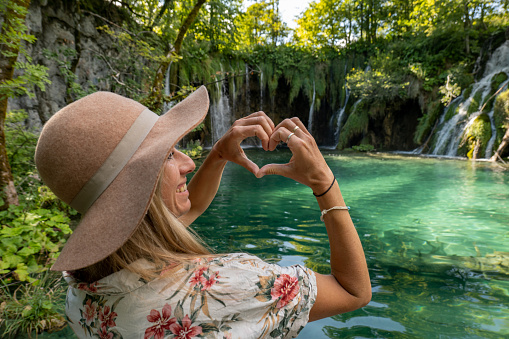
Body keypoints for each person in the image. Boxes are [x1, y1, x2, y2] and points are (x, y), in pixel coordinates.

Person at [35, 86, 371, 339]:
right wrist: (324, 183)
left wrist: (220, 154)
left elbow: (180, 212)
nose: (188, 162)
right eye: (167, 155)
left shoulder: (82, 289)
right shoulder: (224, 287)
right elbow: (353, 291)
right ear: (137, 186)